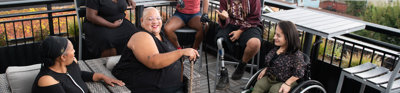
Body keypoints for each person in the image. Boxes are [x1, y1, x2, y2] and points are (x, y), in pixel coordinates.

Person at [112, 7, 199, 93]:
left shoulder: (161, 35)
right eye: (150, 19)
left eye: (158, 18)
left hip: (175, 88)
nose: (155, 21)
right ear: (142, 21)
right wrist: (181, 52)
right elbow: (153, 61)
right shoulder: (140, 36)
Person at [32, 36, 125, 93]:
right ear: (63, 57)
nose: (74, 51)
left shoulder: (69, 64)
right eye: (72, 49)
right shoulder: (47, 80)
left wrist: (102, 77)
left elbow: (79, 74)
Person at [215, 0, 262, 90]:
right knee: (219, 41)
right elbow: (223, 19)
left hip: (250, 26)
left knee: (255, 43)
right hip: (231, 24)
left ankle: (242, 64)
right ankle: (223, 72)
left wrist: (240, 31)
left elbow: (255, 19)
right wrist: (223, 18)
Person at [252, 21, 307, 93]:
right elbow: (271, 62)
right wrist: (266, 69)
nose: (274, 37)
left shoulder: (295, 55)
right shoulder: (276, 48)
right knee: (259, 85)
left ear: (288, 38)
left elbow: (299, 73)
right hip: (271, 78)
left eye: (278, 35)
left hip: (286, 80)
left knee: (274, 90)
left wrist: (287, 83)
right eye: (275, 34)